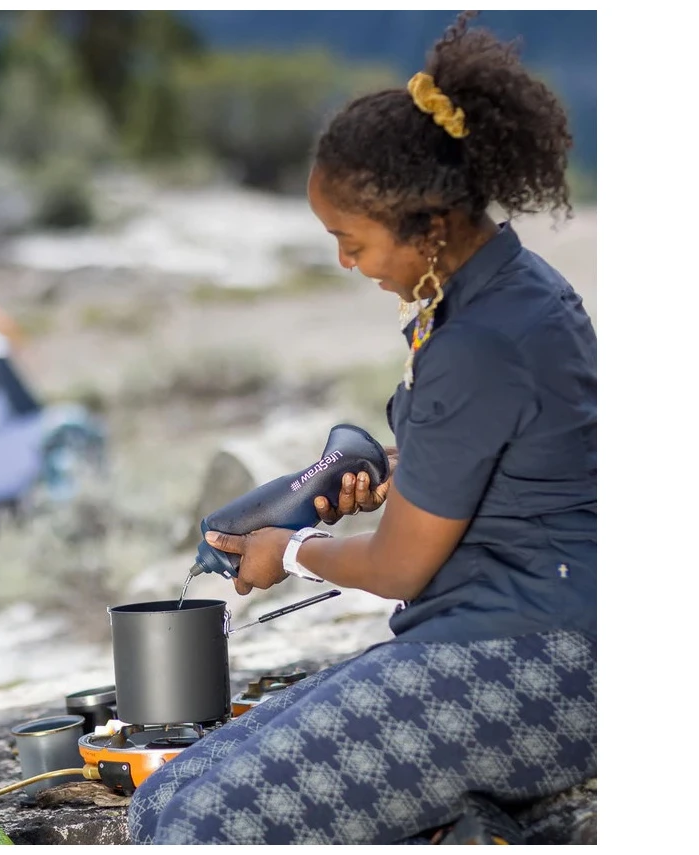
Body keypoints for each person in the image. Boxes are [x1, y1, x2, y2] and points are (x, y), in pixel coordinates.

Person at [128, 11, 596, 845]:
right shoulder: (497, 297)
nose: (345, 262)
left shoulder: (484, 338)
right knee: (166, 792)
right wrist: (395, 467)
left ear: (429, 226)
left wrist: (289, 549)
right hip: (483, 635)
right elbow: (501, 454)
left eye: (352, 241)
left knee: (201, 821)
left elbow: (396, 565)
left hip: (541, 662)